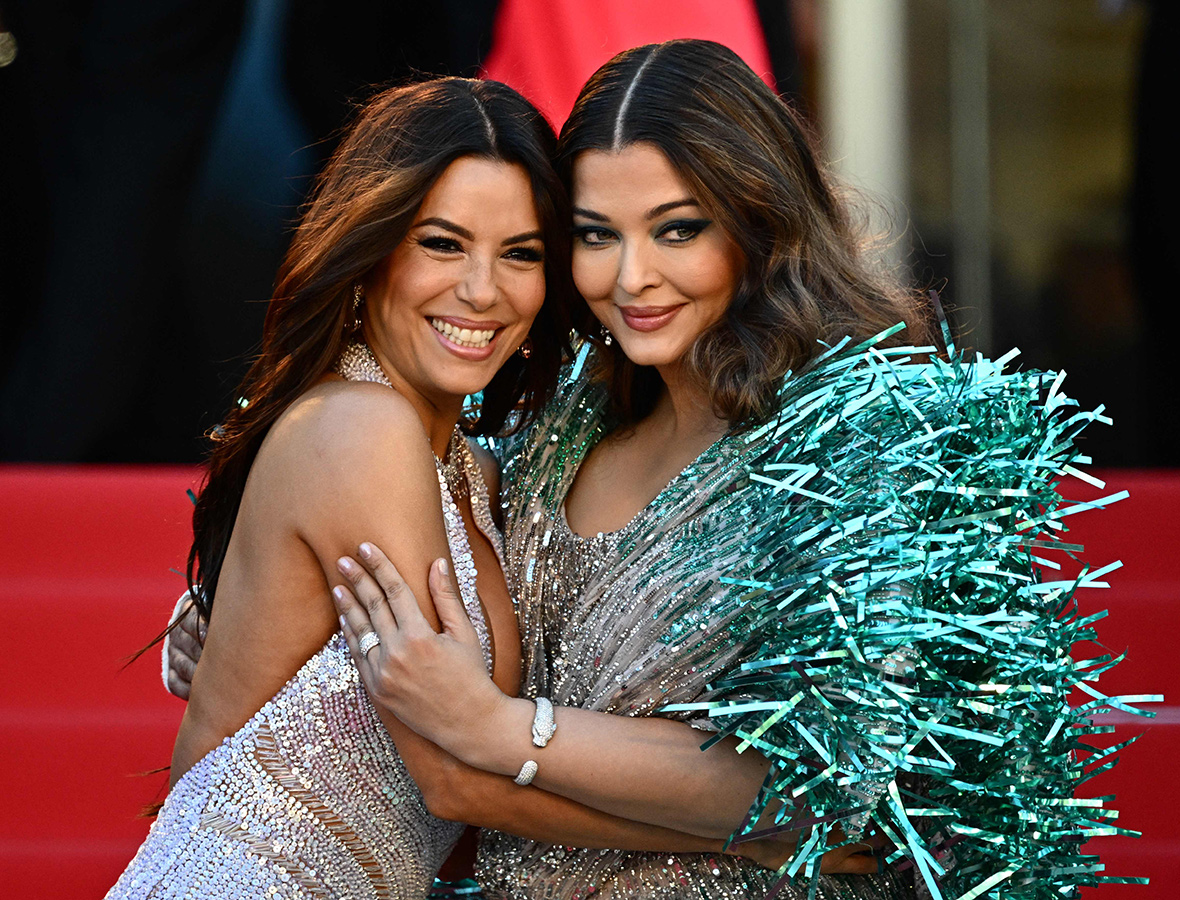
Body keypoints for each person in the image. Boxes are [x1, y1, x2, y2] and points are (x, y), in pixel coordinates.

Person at [329, 41, 1139, 900]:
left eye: (678, 230)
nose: (633, 278)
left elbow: (821, 792)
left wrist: (504, 735)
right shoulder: (555, 429)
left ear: (758, 219)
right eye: (596, 236)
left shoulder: (864, 441)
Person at [110, 75, 785, 900]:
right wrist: (772, 836)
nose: (481, 290)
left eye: (522, 253)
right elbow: (456, 779)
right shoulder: (361, 429)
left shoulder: (479, 471)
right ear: (373, 248)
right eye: (441, 243)